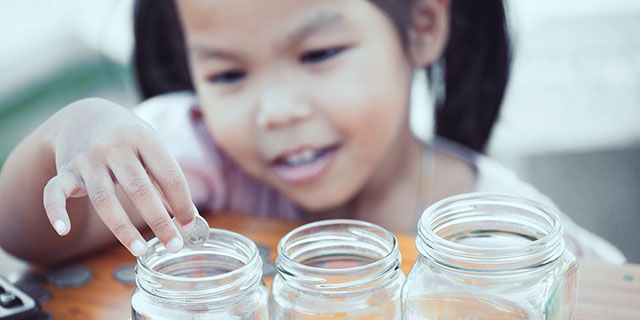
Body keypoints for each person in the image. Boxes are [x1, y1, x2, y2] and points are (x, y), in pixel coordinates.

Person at [0, 0, 625, 265]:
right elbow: (23, 237)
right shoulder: (191, 158)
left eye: (319, 55)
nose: (274, 111)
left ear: (423, 28)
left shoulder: (505, 228)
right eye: (227, 73)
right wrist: (70, 131)